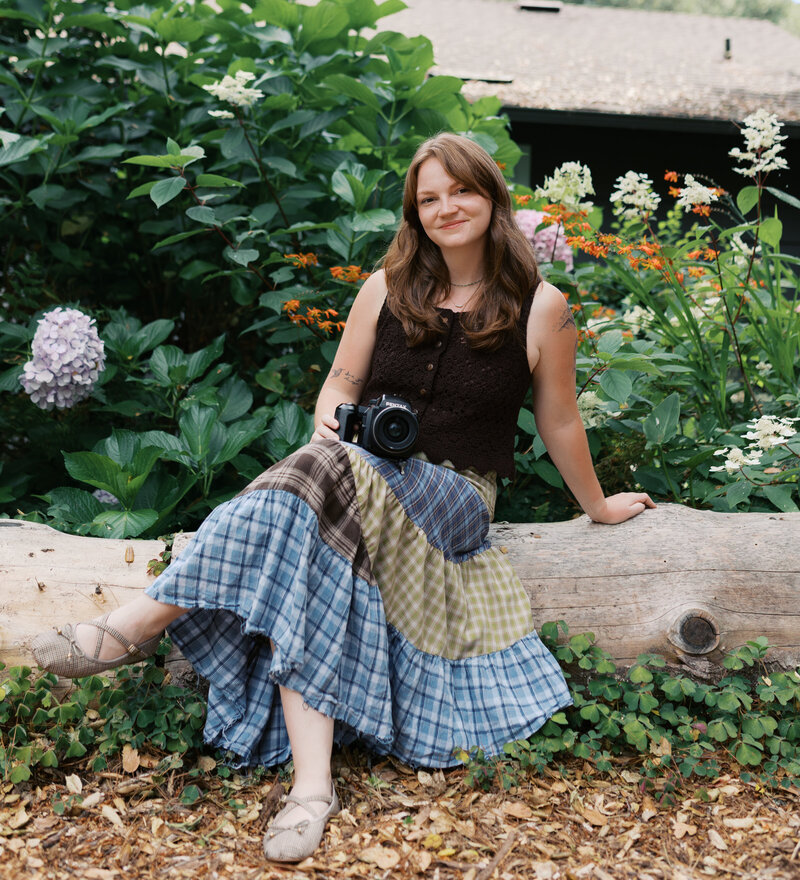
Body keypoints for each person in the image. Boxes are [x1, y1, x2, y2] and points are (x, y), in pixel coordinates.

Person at [33, 132, 654, 862]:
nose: (446, 207)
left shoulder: (542, 307)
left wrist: (600, 506)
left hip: (452, 495)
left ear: (491, 195)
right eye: (429, 198)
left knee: (314, 475)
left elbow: (560, 420)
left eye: (461, 190)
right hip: (352, 475)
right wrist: (332, 422)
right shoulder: (385, 287)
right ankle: (312, 788)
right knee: (317, 495)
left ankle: (135, 625)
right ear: (413, 213)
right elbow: (341, 385)